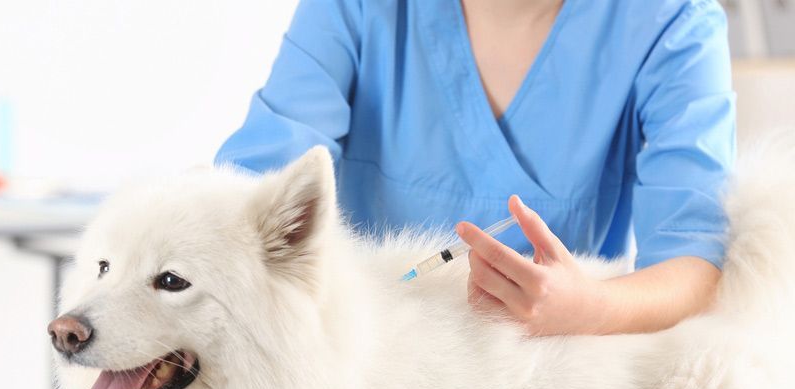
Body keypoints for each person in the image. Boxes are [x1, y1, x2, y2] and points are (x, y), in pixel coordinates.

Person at [215, 0, 735, 335]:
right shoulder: (354, 10)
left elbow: (694, 269)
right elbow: (247, 196)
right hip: (367, 372)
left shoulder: (672, 24)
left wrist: (589, 306)